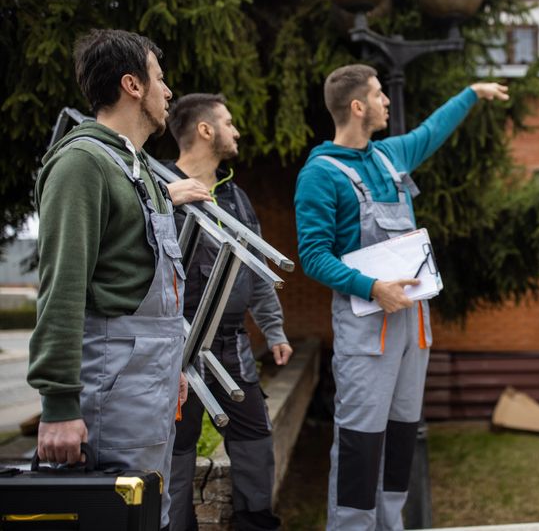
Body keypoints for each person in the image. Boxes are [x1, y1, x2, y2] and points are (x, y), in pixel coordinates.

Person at [294, 64, 508, 530]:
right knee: (360, 441)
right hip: (367, 329)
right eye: (377, 95)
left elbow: (433, 130)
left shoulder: (389, 157)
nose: (387, 102)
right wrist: (372, 287)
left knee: (400, 436)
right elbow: (313, 256)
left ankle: (392, 525)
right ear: (357, 107)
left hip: (413, 326)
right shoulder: (320, 175)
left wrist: (470, 92)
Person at [28, 29, 191, 530]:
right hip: (110, 388)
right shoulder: (83, 163)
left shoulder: (139, 169)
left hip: (151, 385)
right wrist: (58, 405)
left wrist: (174, 365)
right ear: (132, 85)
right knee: (112, 519)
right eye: (159, 79)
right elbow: (61, 285)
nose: (169, 92)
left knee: (146, 515)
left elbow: (152, 285)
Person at [164, 93, 293, 531]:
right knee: (177, 454)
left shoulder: (235, 197)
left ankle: (255, 525)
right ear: (205, 130)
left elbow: (257, 273)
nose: (236, 131)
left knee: (256, 441)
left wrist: (274, 331)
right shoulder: (165, 192)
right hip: (179, 351)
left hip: (233, 346)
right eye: (229, 122)